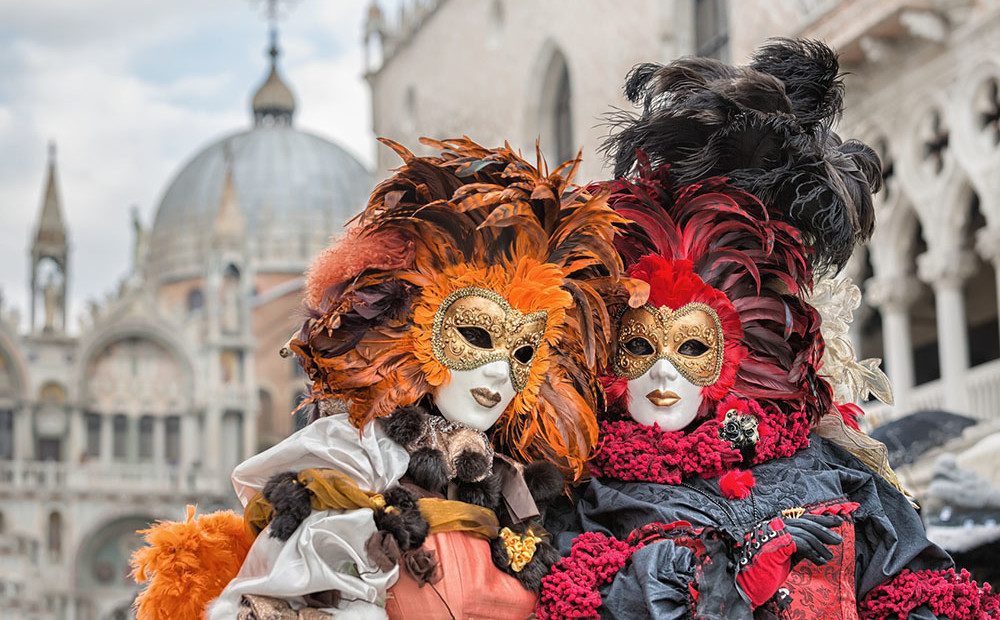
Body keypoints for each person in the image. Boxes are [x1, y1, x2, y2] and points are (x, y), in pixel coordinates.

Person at [538, 40, 999, 620]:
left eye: (691, 348)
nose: (661, 370)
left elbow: (914, 587)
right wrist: (735, 583)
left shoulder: (825, 470)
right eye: (638, 346)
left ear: (733, 357)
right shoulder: (588, 499)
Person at [131, 137, 625, 620]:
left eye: (522, 351)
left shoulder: (516, 485)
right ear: (413, 334)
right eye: (475, 334)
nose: (498, 369)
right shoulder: (356, 467)